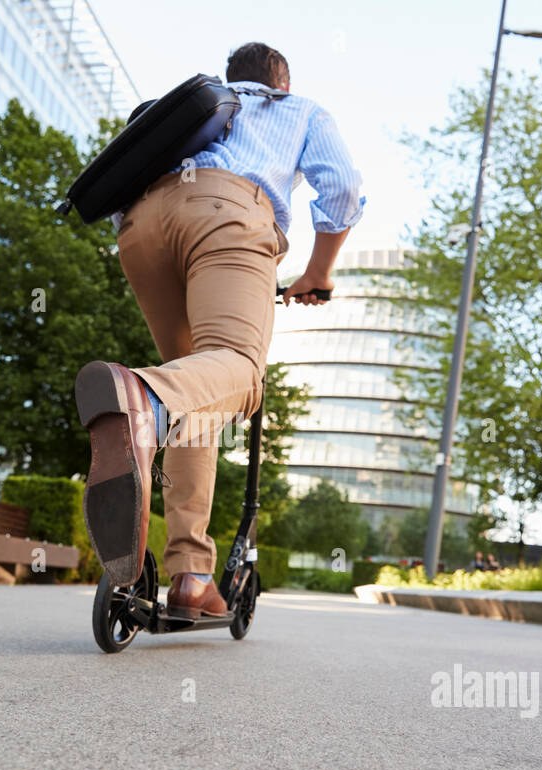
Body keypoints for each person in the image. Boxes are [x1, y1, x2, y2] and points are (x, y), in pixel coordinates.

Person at [74, 43, 364, 618]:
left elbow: (123, 185)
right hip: (228, 215)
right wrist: (317, 273)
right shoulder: (298, 109)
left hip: (140, 231)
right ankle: (142, 401)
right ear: (280, 80)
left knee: (198, 397)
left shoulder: (183, 112)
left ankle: (192, 576)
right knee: (237, 370)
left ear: (232, 81)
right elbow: (343, 191)